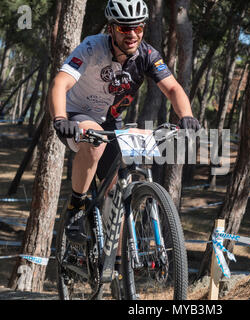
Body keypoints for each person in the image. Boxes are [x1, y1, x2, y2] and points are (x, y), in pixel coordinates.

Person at [49, 0, 200, 244]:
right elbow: (60, 82)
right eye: (123, 29)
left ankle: (119, 266)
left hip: (111, 121)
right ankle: (75, 206)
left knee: (118, 193)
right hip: (77, 115)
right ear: (111, 29)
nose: (132, 35)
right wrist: (59, 118)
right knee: (95, 142)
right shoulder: (91, 47)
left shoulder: (148, 55)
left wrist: (187, 116)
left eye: (138, 28)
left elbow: (172, 88)